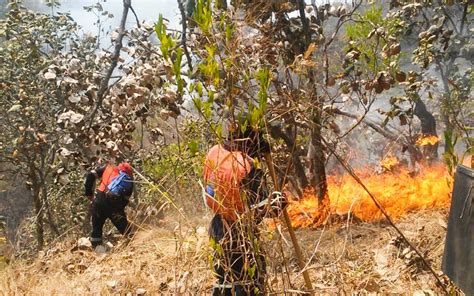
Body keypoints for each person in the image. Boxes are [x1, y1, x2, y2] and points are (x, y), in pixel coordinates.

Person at [204, 125, 286, 296]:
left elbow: (210, 190)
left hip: (218, 227)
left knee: (224, 278)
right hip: (241, 235)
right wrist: (278, 202)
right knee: (248, 281)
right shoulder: (246, 168)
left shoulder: (214, 152)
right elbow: (258, 208)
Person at [84, 162, 134, 247]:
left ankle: (96, 253)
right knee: (127, 232)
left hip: (99, 200)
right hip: (114, 205)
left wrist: (89, 194)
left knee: (96, 230)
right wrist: (118, 213)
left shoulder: (108, 168)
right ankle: (133, 248)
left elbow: (90, 175)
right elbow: (124, 202)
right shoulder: (128, 180)